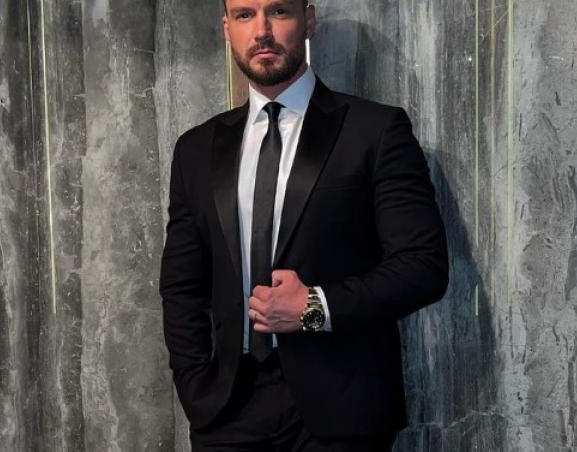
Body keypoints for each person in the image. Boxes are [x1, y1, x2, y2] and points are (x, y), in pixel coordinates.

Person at [159, 0, 449, 450]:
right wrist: (195, 382)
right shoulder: (196, 149)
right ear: (227, 28)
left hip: (342, 409)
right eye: (244, 15)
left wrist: (314, 306)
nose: (262, 31)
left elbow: (423, 266)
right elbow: (182, 284)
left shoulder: (374, 130)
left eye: (278, 12)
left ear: (308, 20)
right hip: (226, 412)